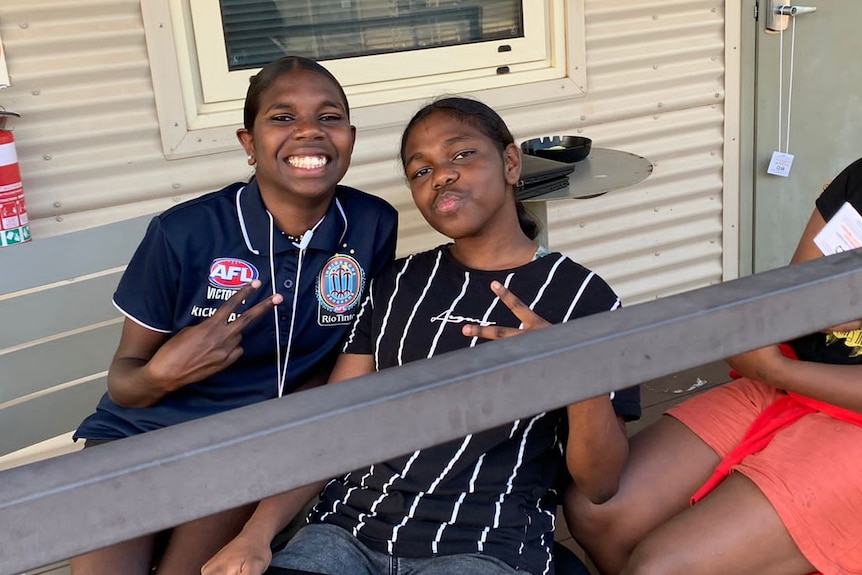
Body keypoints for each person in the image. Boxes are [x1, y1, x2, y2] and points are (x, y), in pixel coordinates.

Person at [202, 96, 640, 575]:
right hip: (348, 530)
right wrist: (256, 535)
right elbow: (332, 427)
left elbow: (600, 485)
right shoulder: (397, 283)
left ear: (511, 162)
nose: (441, 175)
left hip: (485, 542)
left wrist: (573, 372)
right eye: (420, 170)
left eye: (461, 154)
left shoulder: (585, 299)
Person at [69, 56, 398, 575]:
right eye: (283, 118)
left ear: (351, 138)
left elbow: (348, 359)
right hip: (139, 436)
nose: (309, 131)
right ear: (249, 144)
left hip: (248, 444)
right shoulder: (184, 233)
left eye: (329, 117)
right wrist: (162, 372)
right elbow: (124, 383)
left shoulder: (371, 223)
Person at [565, 158, 862, 575]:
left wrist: (774, 369)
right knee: (599, 513)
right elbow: (805, 296)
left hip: (823, 397)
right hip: (793, 375)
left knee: (661, 568)